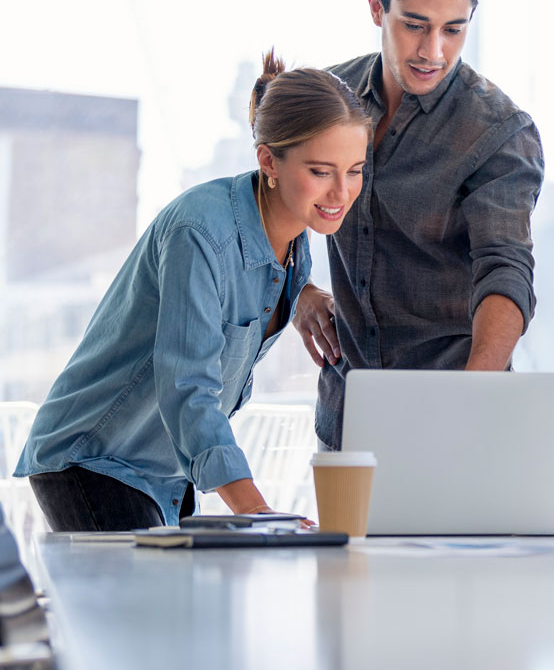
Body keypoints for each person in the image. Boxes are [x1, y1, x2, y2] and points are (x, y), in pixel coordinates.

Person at [15, 51, 371, 530]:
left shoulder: (294, 239)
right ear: (268, 159)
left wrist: (302, 291)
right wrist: (256, 511)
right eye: (321, 171)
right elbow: (189, 386)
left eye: (354, 170)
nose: (342, 193)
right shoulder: (198, 231)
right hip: (94, 458)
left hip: (165, 473)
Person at [292, 0, 545, 451]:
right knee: (343, 540)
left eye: (454, 29)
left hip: (456, 419)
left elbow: (505, 269)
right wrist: (301, 289)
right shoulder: (325, 101)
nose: (434, 50)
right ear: (376, 7)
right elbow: (271, 203)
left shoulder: (497, 132)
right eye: (415, 24)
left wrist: (468, 402)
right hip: (346, 421)